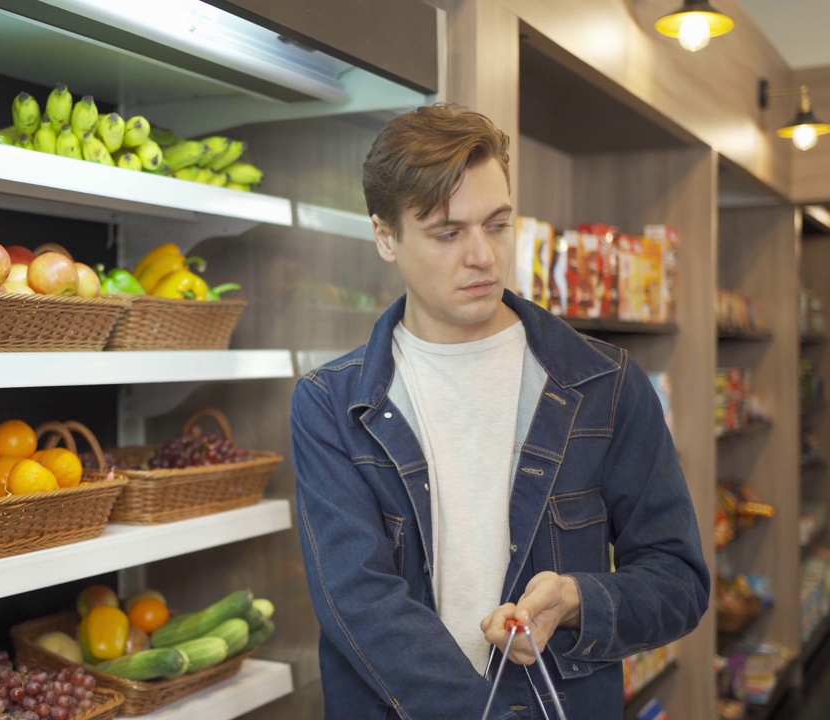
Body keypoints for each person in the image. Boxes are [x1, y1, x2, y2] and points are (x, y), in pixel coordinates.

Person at [290, 103, 709, 719]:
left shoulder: (607, 384)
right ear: (385, 236)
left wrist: (575, 598)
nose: (482, 256)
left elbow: (679, 581)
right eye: (447, 232)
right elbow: (358, 600)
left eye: (498, 224)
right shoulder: (330, 404)